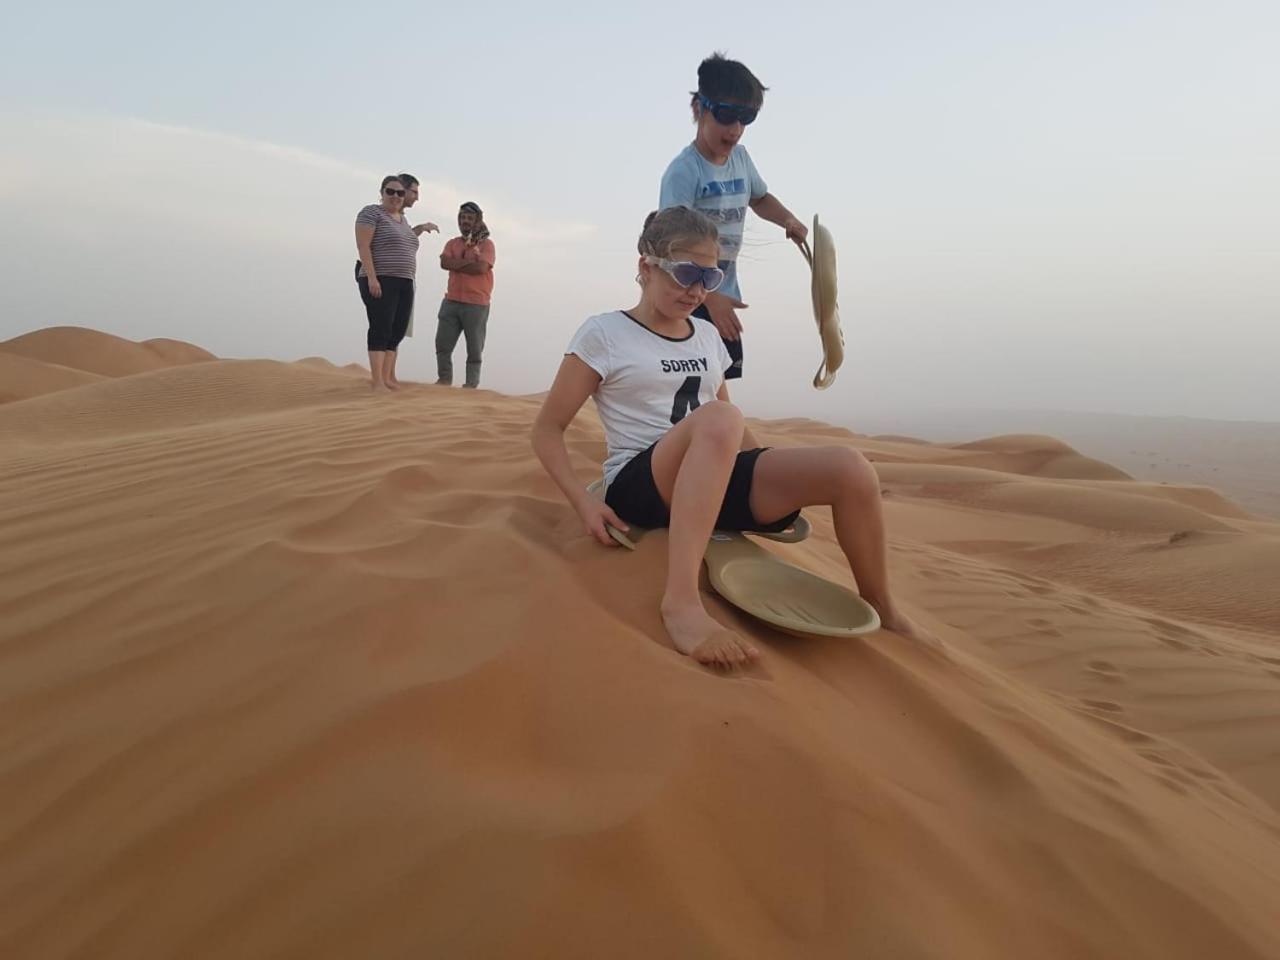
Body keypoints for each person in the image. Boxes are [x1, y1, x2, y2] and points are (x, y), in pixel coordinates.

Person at [531, 208, 933, 669]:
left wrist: (773, 477)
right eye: (686, 273)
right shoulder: (604, 333)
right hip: (641, 483)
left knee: (850, 467)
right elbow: (547, 431)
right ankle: (680, 602)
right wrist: (585, 505)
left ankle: (881, 603)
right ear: (646, 266)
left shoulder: (705, 335)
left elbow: (731, 434)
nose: (698, 290)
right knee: (722, 416)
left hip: (708, 478)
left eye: (711, 276)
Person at [659, 52, 808, 381]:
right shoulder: (684, 172)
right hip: (683, 297)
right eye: (727, 115)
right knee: (686, 386)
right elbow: (668, 245)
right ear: (699, 108)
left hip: (723, 294)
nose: (736, 129)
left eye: (747, 118)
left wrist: (788, 220)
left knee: (717, 383)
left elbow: (760, 197)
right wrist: (709, 300)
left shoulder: (741, 159)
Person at [352, 173, 438, 387]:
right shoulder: (371, 213)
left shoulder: (402, 220)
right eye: (390, 191)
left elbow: (403, 239)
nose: (396, 196)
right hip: (381, 278)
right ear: (381, 193)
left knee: (396, 330)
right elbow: (363, 246)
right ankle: (378, 382)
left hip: (405, 281)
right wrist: (372, 278)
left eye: (400, 193)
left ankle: (388, 378)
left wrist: (419, 229)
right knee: (380, 327)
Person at [435, 202, 496, 388]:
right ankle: (444, 380)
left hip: (477, 303)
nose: (465, 222)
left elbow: (481, 268)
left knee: (475, 349)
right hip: (451, 300)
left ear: (477, 220)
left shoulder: (487, 245)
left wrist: (458, 263)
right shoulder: (453, 243)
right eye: (462, 218)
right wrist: (467, 263)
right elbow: (444, 263)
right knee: (442, 345)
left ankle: (471, 386)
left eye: (469, 218)